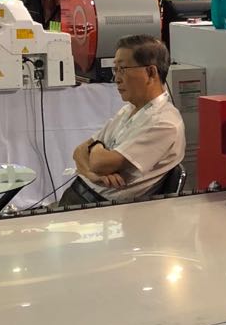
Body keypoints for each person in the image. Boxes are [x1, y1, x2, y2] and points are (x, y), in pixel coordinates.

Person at [64, 35, 185, 206]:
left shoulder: (165, 123)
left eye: (122, 69)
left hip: (102, 209)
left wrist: (95, 147)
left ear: (151, 72)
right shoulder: (129, 109)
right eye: (115, 69)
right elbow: (78, 152)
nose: (116, 78)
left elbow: (100, 163)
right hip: (80, 194)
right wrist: (92, 174)